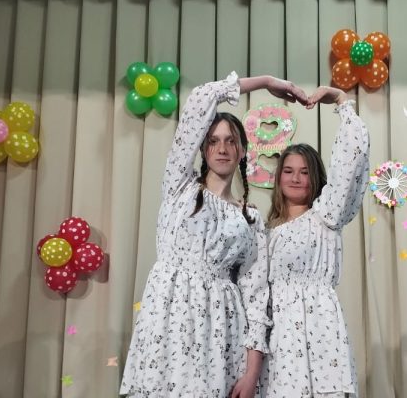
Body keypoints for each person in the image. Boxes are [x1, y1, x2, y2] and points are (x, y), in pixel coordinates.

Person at [120, 72, 307, 398]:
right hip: (169, 320)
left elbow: (256, 298)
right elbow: (201, 97)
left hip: (222, 330)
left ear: (243, 151)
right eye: (213, 141)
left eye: (231, 141)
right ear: (202, 148)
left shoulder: (249, 219)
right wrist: (265, 82)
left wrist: (252, 373)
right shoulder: (179, 186)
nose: (222, 148)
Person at [261, 86, 370, 398]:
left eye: (304, 172)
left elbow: (352, 157)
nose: (296, 178)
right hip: (275, 335)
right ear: (279, 177)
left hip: (318, 331)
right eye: (289, 171)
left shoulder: (325, 216)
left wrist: (341, 101)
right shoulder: (264, 231)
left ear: (316, 178)